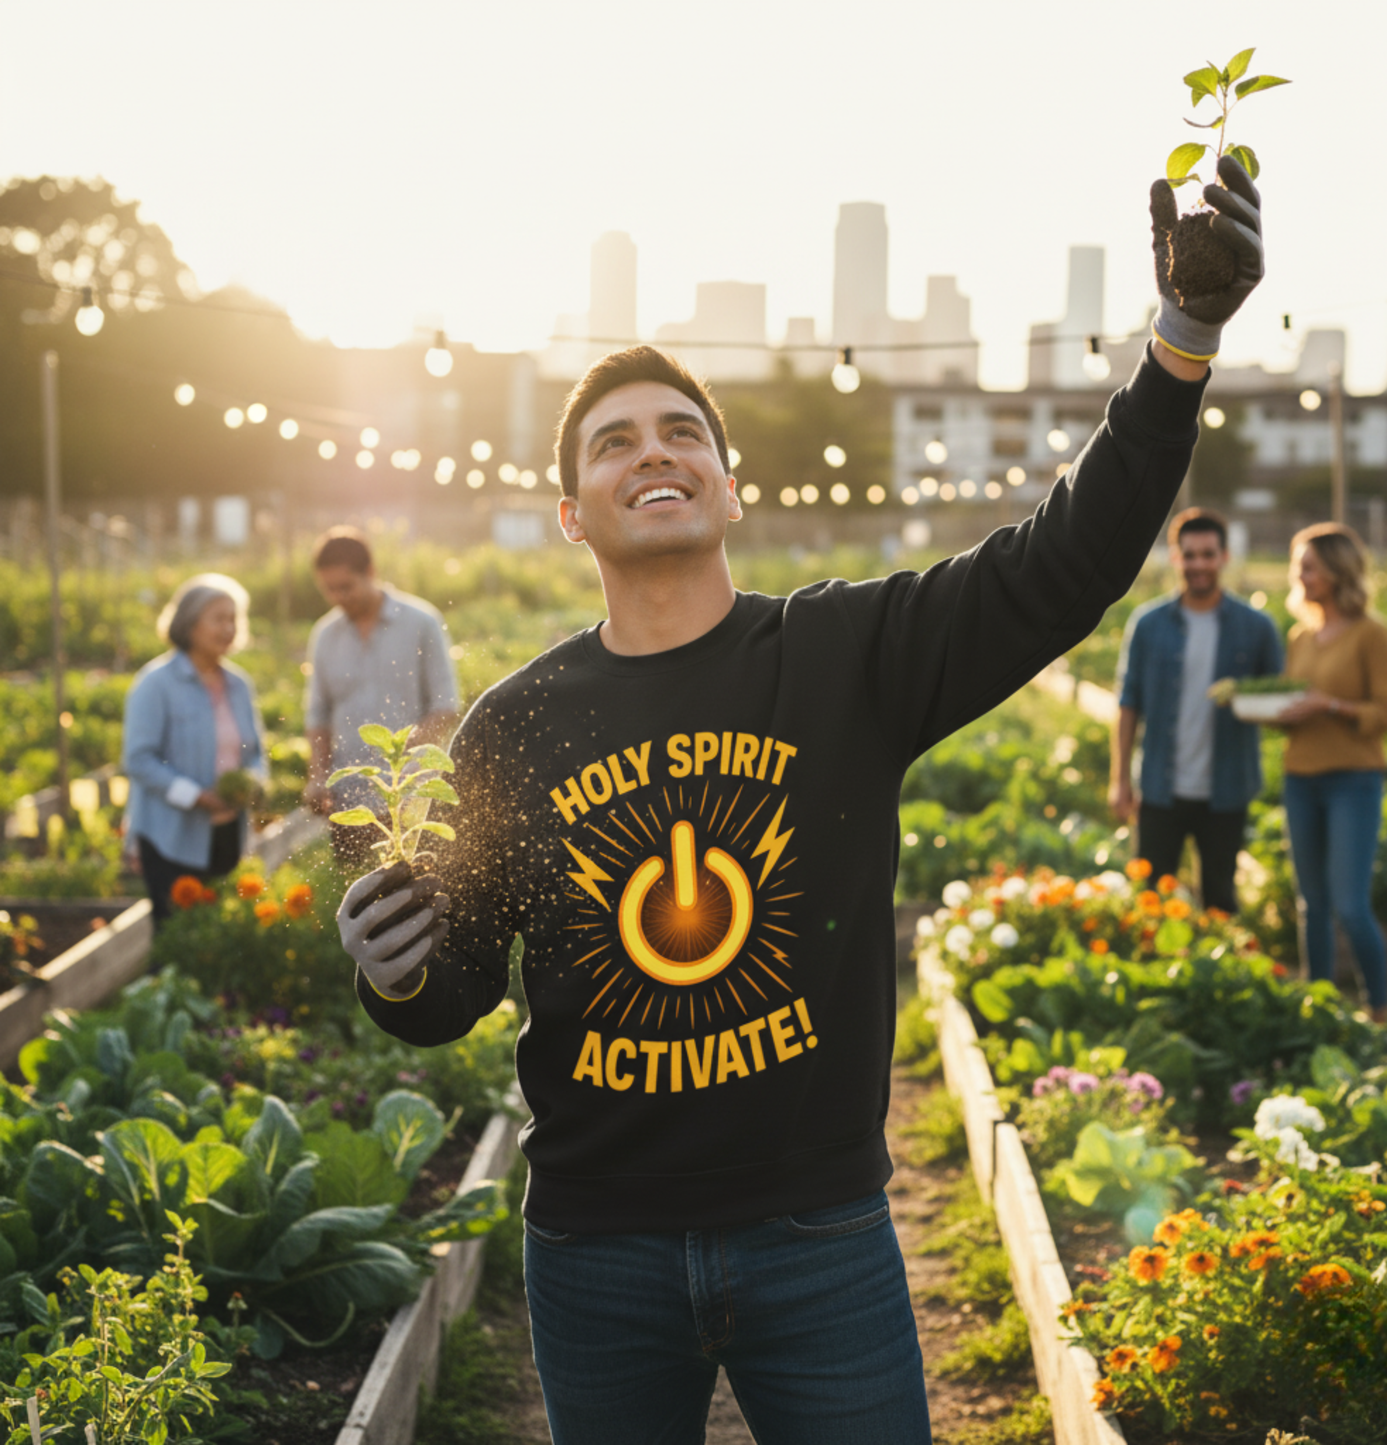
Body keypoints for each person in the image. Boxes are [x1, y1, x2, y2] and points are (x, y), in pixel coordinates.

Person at [336, 159, 1264, 1443]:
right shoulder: (516, 724)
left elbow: (1063, 564)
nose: (650, 453)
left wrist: (1181, 345)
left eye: (679, 435)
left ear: (727, 486)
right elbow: (462, 984)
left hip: (818, 1236)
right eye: (614, 442)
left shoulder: (844, 658)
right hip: (597, 1250)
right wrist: (393, 974)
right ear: (572, 512)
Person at [1110, 507, 1284, 911]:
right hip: (1159, 787)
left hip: (1227, 788)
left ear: (1224, 557)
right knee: (1151, 899)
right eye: (1190, 555)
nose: (1199, 564)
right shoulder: (1148, 623)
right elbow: (1128, 702)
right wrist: (1119, 779)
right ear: (1175, 558)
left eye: (1208, 554)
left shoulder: (1256, 627)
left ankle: (1215, 972)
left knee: (1220, 898)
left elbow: (1276, 697)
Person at [1274, 523, 1387, 1022]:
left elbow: (1385, 713)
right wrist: (1275, 711)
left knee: (1349, 905)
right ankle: (1319, 1008)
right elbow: (1293, 705)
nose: (1300, 575)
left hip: (1353, 780)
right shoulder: (1300, 636)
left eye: (1309, 566)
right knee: (1312, 905)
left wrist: (1331, 706)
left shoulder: (1373, 634)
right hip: (1300, 776)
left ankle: (1379, 1009)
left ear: (1337, 572)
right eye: (1298, 566)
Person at [301, 527, 461, 865]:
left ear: (370, 573)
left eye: (346, 587)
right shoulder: (325, 635)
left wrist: (399, 765)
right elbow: (318, 716)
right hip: (351, 802)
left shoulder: (421, 622)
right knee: (358, 902)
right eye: (329, 590)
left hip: (412, 799)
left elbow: (445, 707)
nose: (338, 597)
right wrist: (317, 777)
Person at [122, 574, 266, 928]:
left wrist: (252, 783)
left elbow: (256, 753)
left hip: (228, 830)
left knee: (221, 932)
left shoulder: (238, 685)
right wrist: (198, 796)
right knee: (176, 933)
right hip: (171, 836)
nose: (228, 628)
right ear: (189, 623)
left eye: (233, 618)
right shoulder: (156, 684)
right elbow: (139, 759)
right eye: (218, 618)